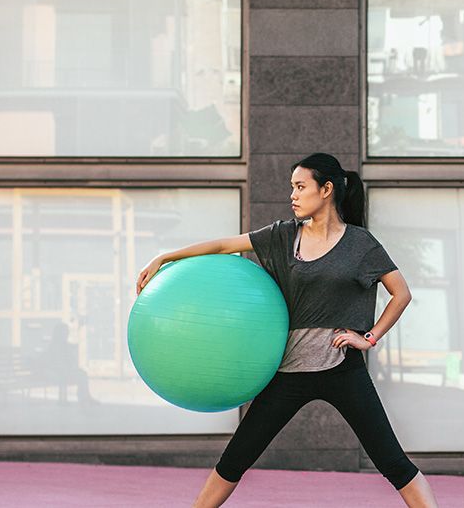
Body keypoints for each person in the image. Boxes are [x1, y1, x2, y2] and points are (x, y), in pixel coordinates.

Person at [135, 152, 439, 508]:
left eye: (300, 186)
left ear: (326, 189)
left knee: (392, 462)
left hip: (342, 369)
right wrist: (166, 257)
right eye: (291, 187)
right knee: (236, 459)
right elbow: (223, 246)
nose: (293, 195)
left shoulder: (361, 244)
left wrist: (369, 337)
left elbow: (400, 293)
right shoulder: (282, 236)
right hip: (288, 372)